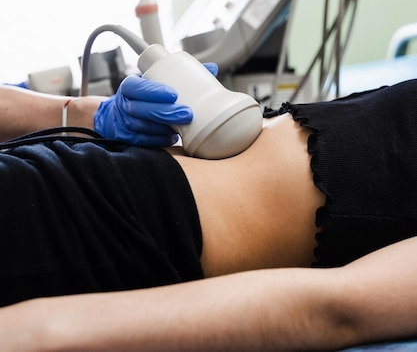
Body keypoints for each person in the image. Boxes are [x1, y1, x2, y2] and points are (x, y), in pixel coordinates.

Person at [1, 76, 417, 350]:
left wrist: (43, 331)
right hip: (71, 178)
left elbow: (339, 307)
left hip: (99, 223)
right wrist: (80, 112)